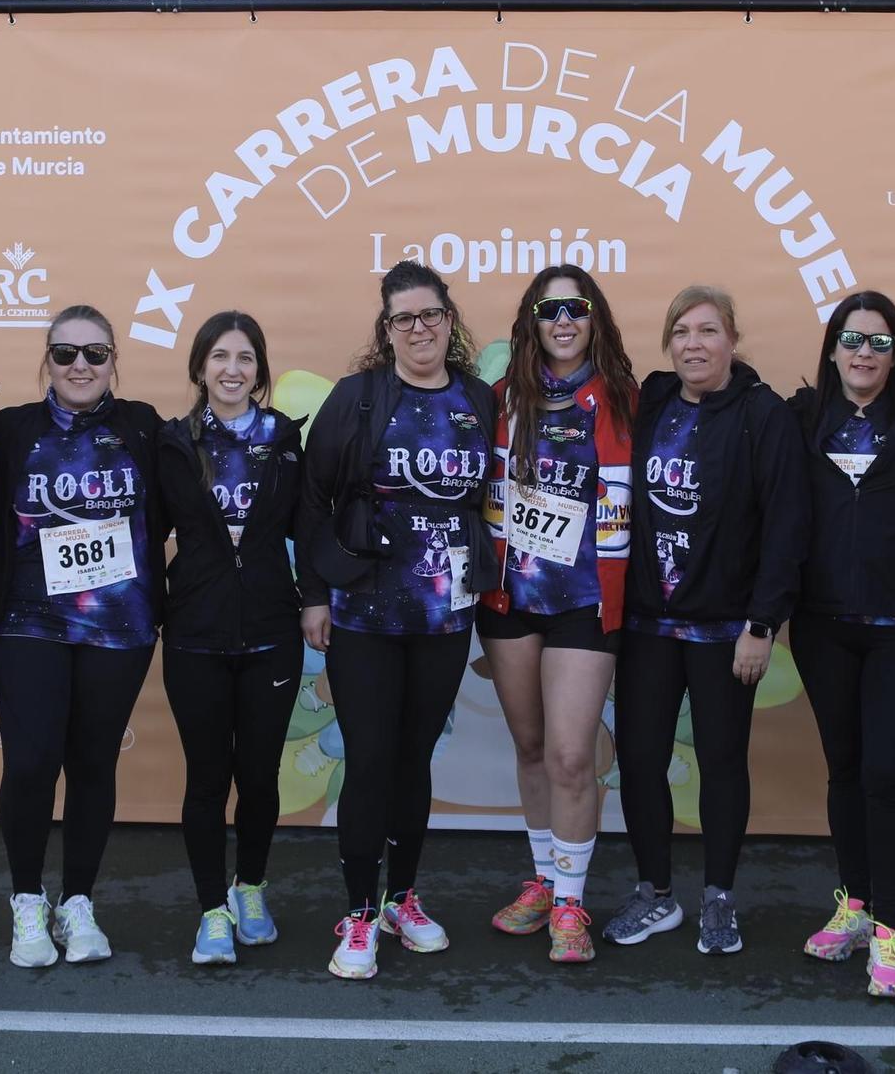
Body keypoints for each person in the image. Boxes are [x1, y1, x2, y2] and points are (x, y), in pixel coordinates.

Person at [296, 260, 497, 980]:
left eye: (431, 315)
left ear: (450, 321)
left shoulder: (477, 399)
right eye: (404, 318)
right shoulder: (357, 398)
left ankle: (401, 898)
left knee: (415, 763)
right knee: (371, 759)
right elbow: (312, 498)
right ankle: (357, 911)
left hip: (445, 617)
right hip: (364, 615)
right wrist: (313, 596)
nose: (420, 328)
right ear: (386, 332)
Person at [603, 285, 809, 956]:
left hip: (727, 631)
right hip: (647, 626)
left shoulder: (762, 414)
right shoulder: (655, 398)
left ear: (732, 339)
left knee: (722, 763)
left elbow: (786, 524)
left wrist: (763, 623)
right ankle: (655, 893)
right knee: (639, 760)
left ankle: (718, 896)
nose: (695, 343)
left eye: (709, 330)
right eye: (682, 331)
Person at [0, 307, 164, 973]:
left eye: (94, 352)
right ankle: (27, 899)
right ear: (46, 362)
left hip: (119, 626)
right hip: (29, 621)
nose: (80, 366)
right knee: (31, 761)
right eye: (65, 353)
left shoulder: (142, 426)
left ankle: (78, 900)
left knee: (93, 762)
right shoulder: (10, 431)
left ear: (115, 359)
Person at [787, 292, 895, 998]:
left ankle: (889, 932)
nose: (864, 353)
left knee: (885, 774)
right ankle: (853, 903)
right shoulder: (799, 417)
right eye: (852, 340)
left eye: (880, 343)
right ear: (831, 348)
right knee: (845, 768)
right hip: (823, 626)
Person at [478, 267, 639, 964]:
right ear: (532, 322)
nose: (564, 320)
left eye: (577, 308)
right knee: (534, 747)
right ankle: (544, 880)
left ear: (595, 317)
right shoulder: (498, 400)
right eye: (551, 310)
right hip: (512, 597)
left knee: (575, 755)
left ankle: (572, 900)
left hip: (586, 598)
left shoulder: (628, 400)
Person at [158, 311, 308, 965]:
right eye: (220, 356)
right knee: (206, 778)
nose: (232, 369)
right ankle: (212, 907)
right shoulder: (171, 441)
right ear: (199, 368)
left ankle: (251, 886)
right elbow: (139, 533)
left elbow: (312, 526)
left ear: (260, 371)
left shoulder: (285, 439)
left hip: (273, 631)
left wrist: (322, 599)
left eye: (245, 357)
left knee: (259, 775)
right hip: (195, 632)